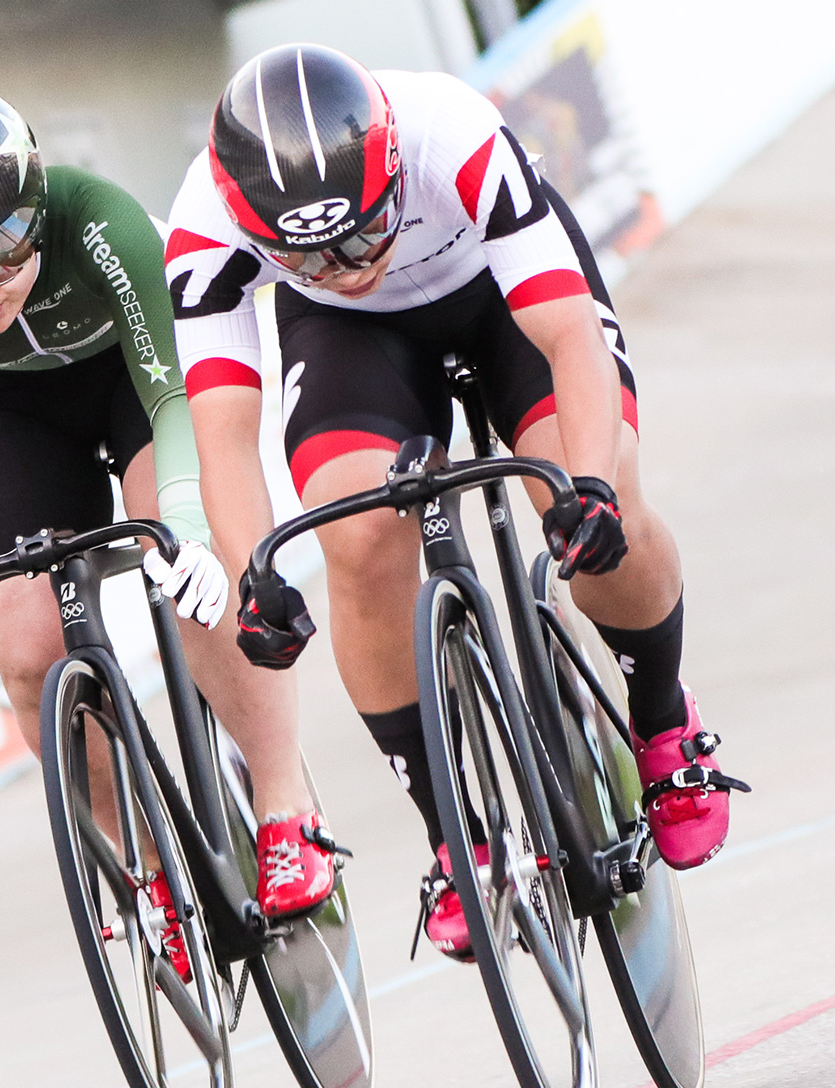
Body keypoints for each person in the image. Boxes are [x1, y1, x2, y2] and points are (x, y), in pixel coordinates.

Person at [165, 45, 746, 961]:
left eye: (361, 233)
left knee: (604, 503)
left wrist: (588, 486)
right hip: (354, 344)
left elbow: (566, 335)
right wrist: (252, 576)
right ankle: (454, 832)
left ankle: (664, 716)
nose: (346, 262)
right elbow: (225, 439)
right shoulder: (206, 227)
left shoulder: (452, 132)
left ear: (391, 167)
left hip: (498, 296)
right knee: (356, 541)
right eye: (307, 253)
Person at [0, 84, 336, 935]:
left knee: (191, 573)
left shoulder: (100, 220)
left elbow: (175, 399)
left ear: (33, 212)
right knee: (24, 645)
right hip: (9, 410)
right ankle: (142, 866)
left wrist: (183, 525)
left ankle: (282, 801)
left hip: (138, 379)